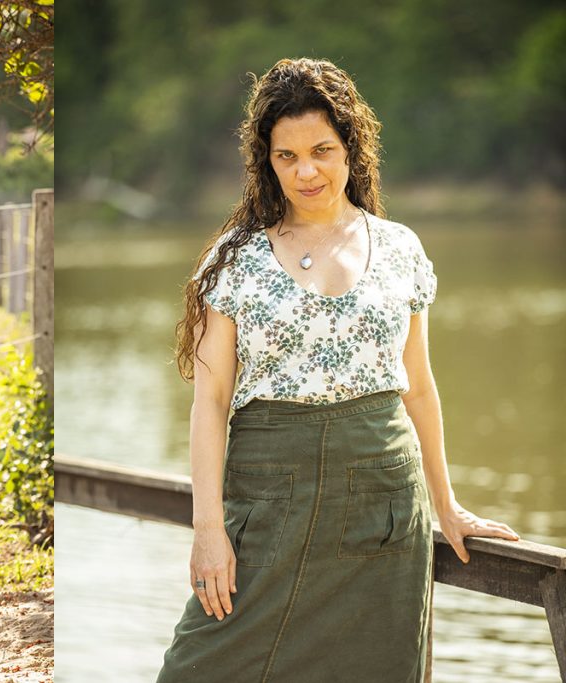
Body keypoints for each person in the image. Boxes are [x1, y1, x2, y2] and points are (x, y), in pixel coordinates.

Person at [155, 58, 520, 683]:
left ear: (351, 146)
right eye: (285, 156)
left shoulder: (400, 247)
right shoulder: (235, 257)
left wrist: (448, 505)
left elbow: (420, 386)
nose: (306, 171)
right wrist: (208, 529)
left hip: (382, 505)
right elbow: (210, 401)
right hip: (267, 502)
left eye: (322, 150)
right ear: (266, 162)